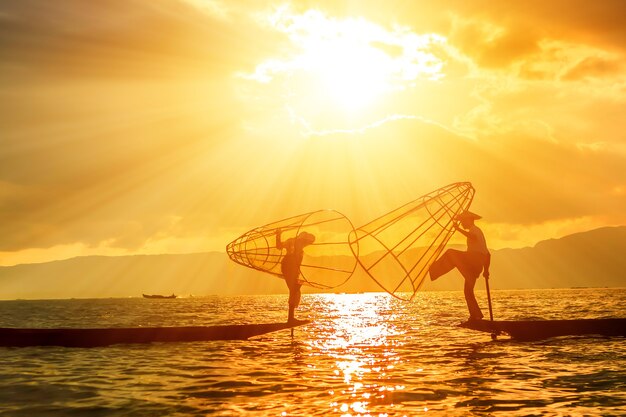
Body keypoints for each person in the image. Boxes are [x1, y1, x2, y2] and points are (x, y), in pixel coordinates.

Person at [429, 211, 490, 321]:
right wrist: (486, 270)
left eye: (463, 221)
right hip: (475, 266)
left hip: (473, 262)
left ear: (469, 220)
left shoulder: (475, 230)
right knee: (468, 291)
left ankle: (434, 271)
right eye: (461, 222)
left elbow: (473, 237)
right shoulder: (477, 232)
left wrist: (458, 229)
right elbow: (488, 254)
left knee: (451, 253)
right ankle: (476, 316)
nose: (462, 223)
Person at [275, 228, 316, 323]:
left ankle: (291, 318)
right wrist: (278, 235)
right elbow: (279, 246)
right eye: (307, 242)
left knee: (295, 291)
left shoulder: (300, 248)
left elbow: (297, 263)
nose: (307, 244)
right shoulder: (291, 242)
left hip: (292, 269)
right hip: (288, 267)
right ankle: (291, 319)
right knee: (294, 291)